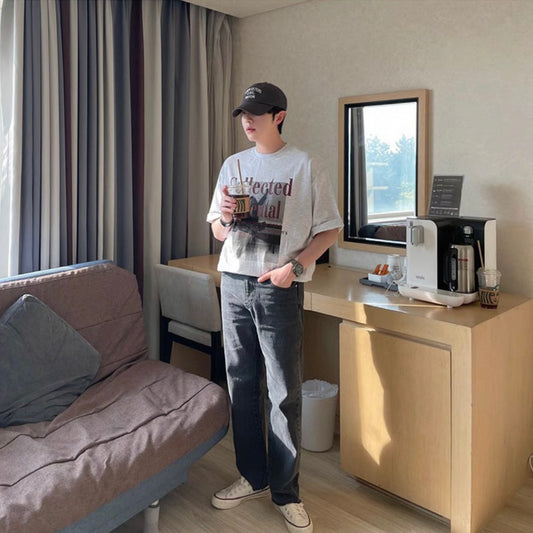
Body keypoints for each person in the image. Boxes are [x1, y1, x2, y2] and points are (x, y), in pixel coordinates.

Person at [206, 82, 343, 533]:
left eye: (257, 113)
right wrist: (226, 216)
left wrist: (295, 268)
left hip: (278, 287)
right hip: (233, 283)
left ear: (279, 116)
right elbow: (219, 231)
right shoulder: (233, 164)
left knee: (284, 391)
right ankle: (253, 476)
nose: (248, 120)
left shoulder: (306, 165)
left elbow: (330, 229)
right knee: (242, 385)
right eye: (244, 114)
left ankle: (286, 492)